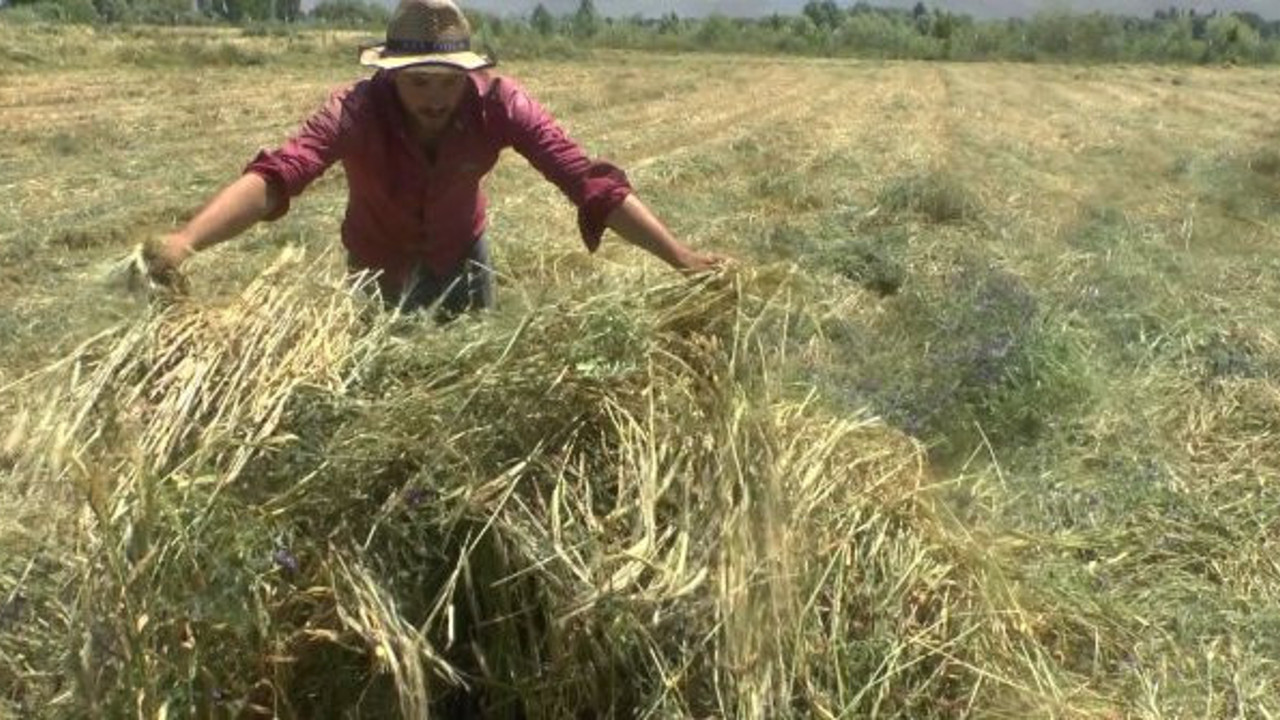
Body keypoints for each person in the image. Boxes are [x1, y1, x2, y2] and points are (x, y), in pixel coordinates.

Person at [143, 0, 727, 318]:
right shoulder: (355, 110)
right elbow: (277, 177)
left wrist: (680, 258)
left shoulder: (502, 105)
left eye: (447, 82)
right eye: (417, 83)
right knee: (378, 394)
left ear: (468, 71)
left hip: (464, 258)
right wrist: (187, 241)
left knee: (470, 381)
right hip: (376, 265)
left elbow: (587, 182)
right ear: (390, 75)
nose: (434, 97)